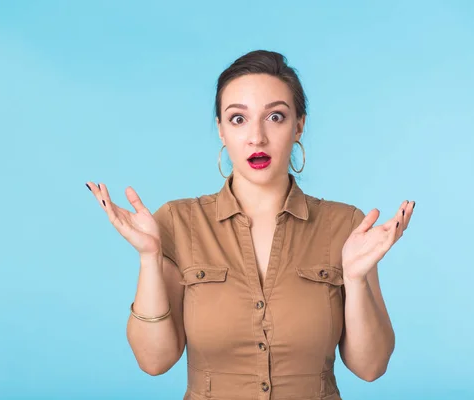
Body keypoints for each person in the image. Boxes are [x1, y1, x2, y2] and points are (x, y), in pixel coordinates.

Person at [85, 50, 415, 400]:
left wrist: (355, 279)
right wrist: (150, 258)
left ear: (299, 125)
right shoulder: (178, 222)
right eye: (238, 119)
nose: (256, 137)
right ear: (221, 131)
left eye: (275, 116)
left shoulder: (345, 224)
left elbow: (371, 368)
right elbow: (155, 361)